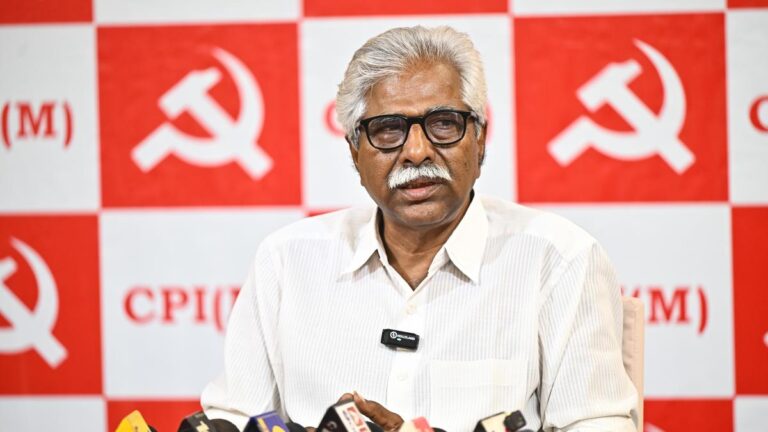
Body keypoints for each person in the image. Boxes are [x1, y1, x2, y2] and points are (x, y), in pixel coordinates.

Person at [201, 26, 638, 431]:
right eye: (387, 129)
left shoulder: (558, 260)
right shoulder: (287, 260)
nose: (416, 151)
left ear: (480, 139)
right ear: (355, 151)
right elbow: (234, 418)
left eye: (443, 124)